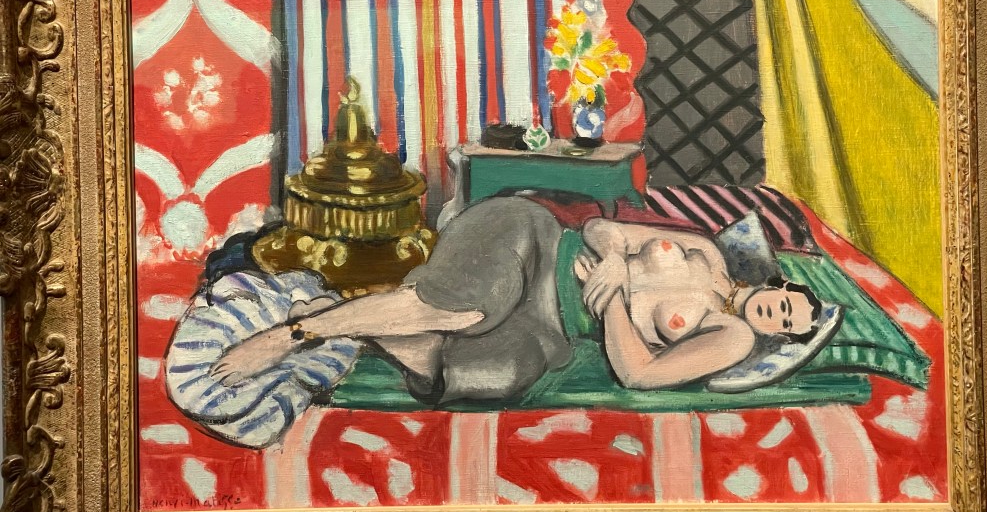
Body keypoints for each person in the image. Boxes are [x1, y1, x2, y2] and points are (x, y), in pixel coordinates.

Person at [211, 196, 821, 401]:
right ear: (780, 285)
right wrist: (613, 258)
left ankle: (336, 317)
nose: (781, 314)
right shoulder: (707, 252)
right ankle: (293, 335)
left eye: (789, 325)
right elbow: (603, 228)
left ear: (780, 337)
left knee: (487, 374)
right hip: (535, 243)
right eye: (789, 302)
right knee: (468, 308)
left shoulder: (732, 336)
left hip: (553, 327)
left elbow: (639, 372)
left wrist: (612, 301)